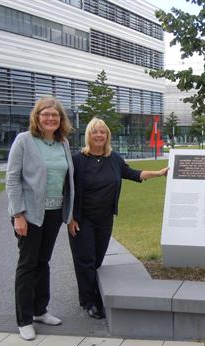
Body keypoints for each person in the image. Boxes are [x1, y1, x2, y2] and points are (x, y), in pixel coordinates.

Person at [68, 117, 168, 319]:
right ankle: (90, 301)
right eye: (95, 132)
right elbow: (66, 190)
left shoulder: (114, 159)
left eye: (102, 132)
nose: (99, 135)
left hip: (105, 219)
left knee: (96, 259)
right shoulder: (77, 160)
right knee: (85, 260)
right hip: (82, 218)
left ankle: (87, 294)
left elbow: (133, 173)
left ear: (107, 136)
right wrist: (70, 217)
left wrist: (158, 173)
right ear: (89, 135)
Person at [5, 96, 74, 341]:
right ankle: (24, 319)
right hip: (30, 214)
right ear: (37, 116)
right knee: (27, 264)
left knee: (43, 261)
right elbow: (12, 179)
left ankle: (39, 310)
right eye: (46, 114)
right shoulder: (24, 141)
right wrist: (18, 215)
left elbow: (66, 179)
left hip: (54, 213)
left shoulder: (62, 143)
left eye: (55, 115)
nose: (51, 118)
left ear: (60, 119)